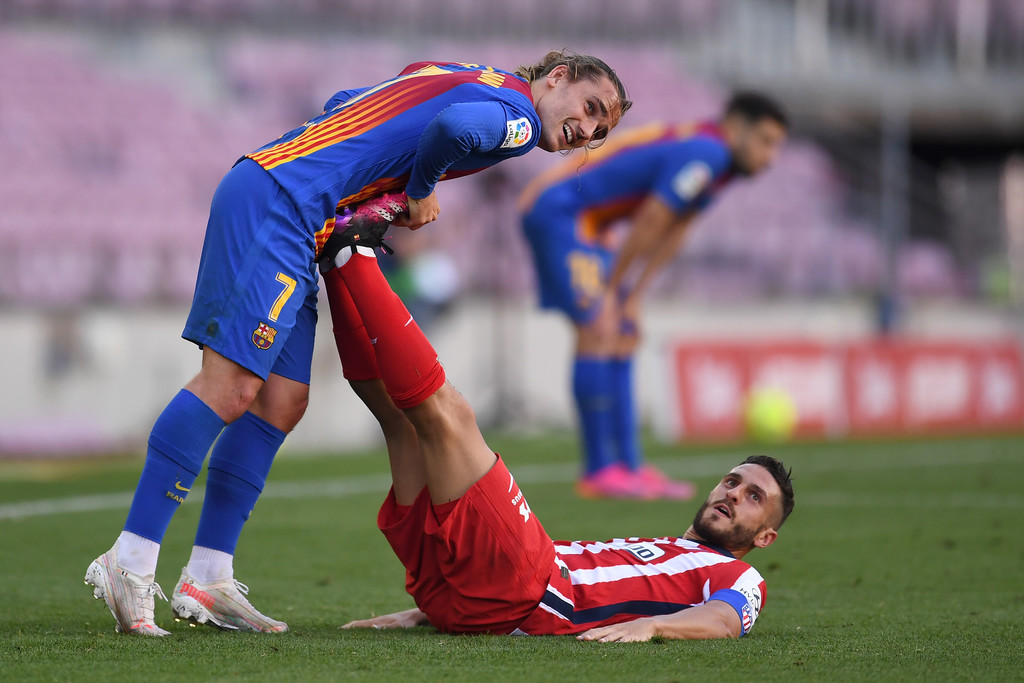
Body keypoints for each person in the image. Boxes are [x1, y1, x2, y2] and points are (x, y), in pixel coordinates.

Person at [84, 52, 631, 636]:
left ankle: (208, 576)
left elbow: (346, 100)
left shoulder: (466, 74)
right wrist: (419, 189)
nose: (586, 131)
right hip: (281, 202)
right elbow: (450, 131)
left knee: (280, 402)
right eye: (589, 109)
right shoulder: (518, 120)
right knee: (232, 385)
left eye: (600, 133)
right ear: (556, 77)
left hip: (296, 209)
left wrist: (355, 173)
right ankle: (130, 559)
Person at [318, 238, 795, 640]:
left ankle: (354, 254)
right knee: (400, 424)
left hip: (528, 587)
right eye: (732, 481)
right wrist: (432, 611)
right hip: (467, 595)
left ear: (766, 536)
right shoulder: (669, 550)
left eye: (754, 497)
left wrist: (652, 628)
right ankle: (336, 267)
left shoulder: (742, 577)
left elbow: (726, 620)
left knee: (451, 417)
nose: (733, 493)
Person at [518, 92, 788, 500]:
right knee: (597, 327)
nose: (770, 158)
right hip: (562, 211)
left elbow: (676, 228)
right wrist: (613, 291)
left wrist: (633, 295)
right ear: (737, 127)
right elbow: (652, 218)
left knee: (623, 329)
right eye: (766, 141)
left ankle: (630, 465)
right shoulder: (708, 153)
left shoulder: (718, 163)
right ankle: (598, 471)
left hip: (591, 219)